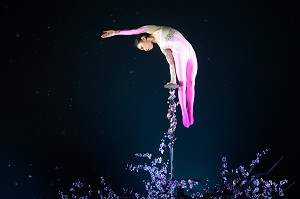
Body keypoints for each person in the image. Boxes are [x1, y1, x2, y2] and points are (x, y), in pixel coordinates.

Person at [101, 25, 198, 128]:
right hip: (180, 53)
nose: (144, 50)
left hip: (190, 50)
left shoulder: (154, 29)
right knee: (182, 84)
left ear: (143, 38)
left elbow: (133, 31)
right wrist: (173, 80)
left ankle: (190, 110)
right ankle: (184, 113)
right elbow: (171, 64)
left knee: (191, 83)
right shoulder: (163, 47)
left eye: (142, 47)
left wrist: (116, 32)